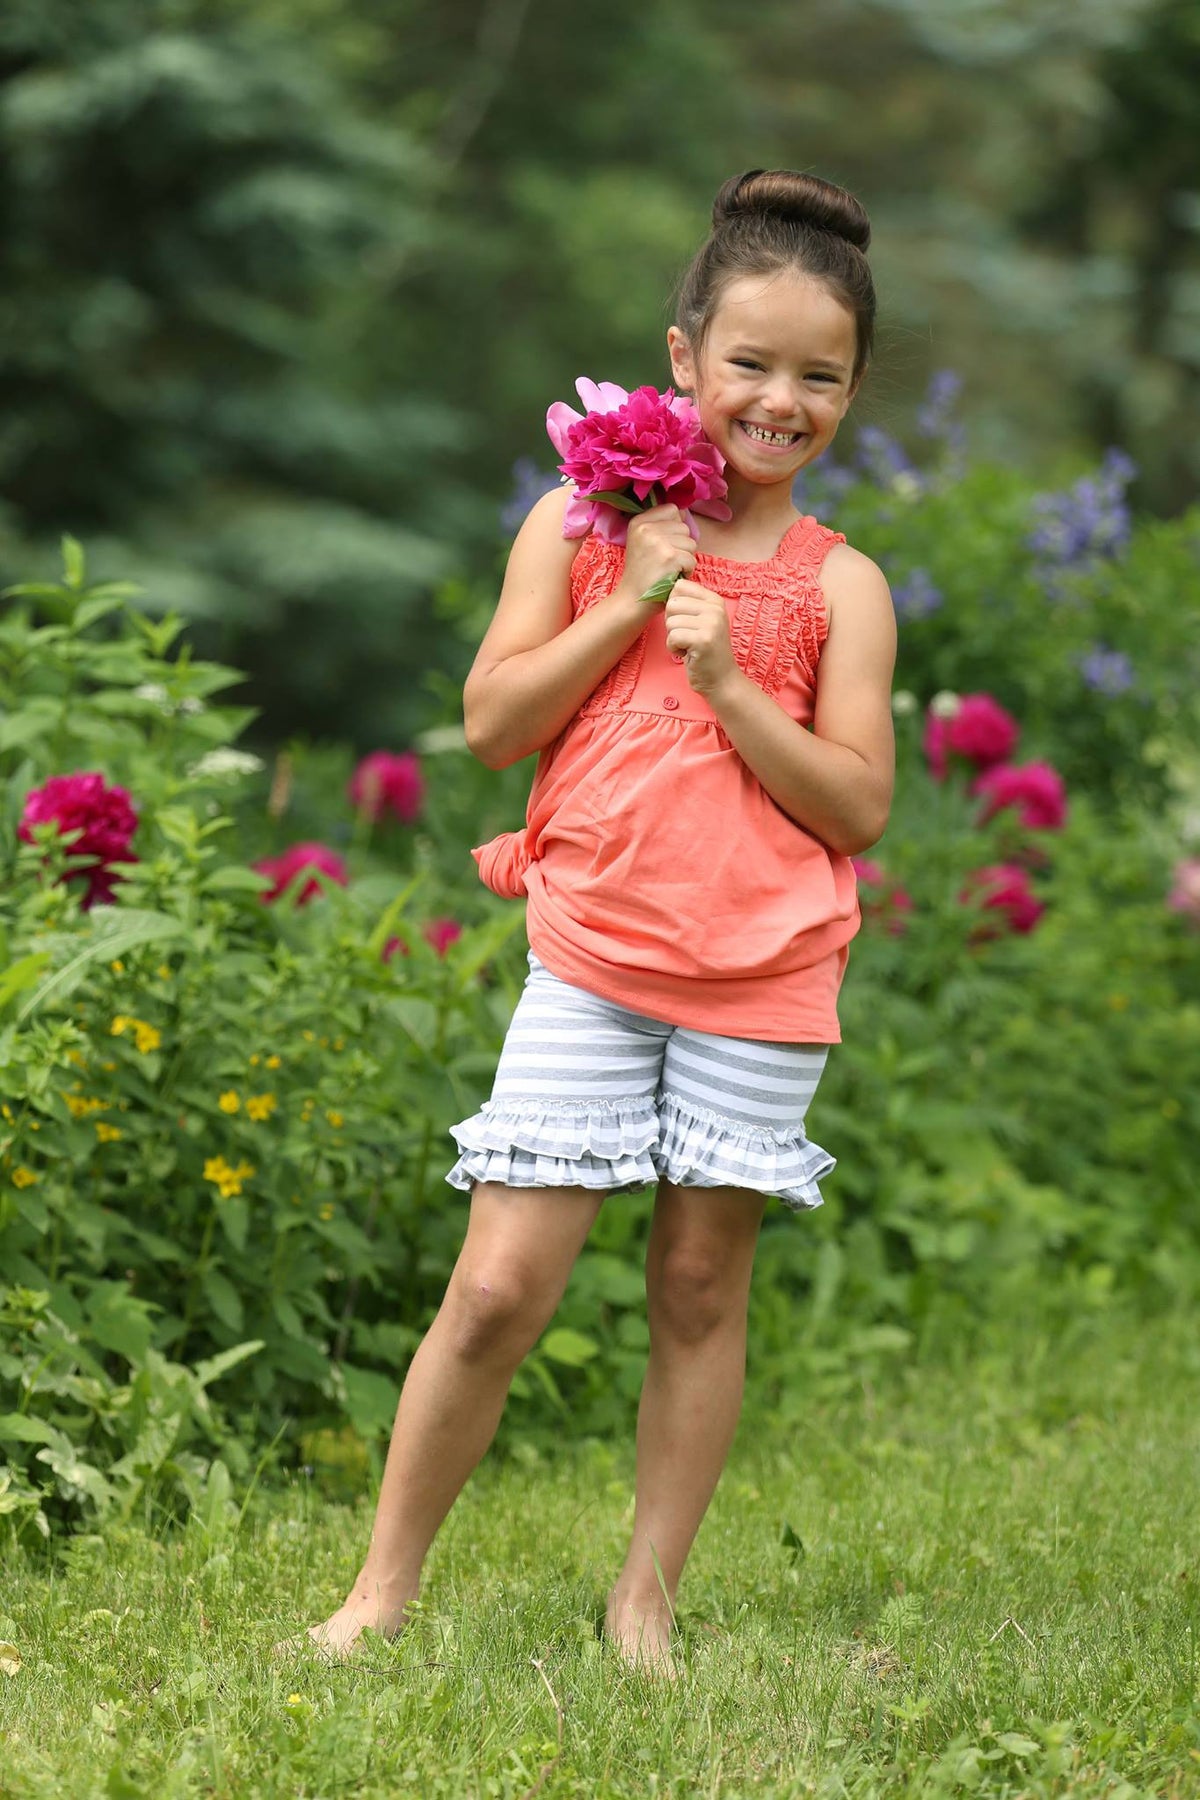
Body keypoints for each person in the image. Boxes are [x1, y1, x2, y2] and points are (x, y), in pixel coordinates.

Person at [300, 168, 896, 1675]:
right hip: (595, 952)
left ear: (852, 394)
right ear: (682, 354)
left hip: (762, 973)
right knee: (500, 1284)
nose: (779, 399)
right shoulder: (573, 531)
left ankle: (644, 1598)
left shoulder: (844, 588)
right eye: (749, 362)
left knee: (700, 1282)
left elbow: (858, 810)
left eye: (818, 376)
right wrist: (627, 602)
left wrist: (733, 680)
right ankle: (380, 1593)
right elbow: (493, 725)